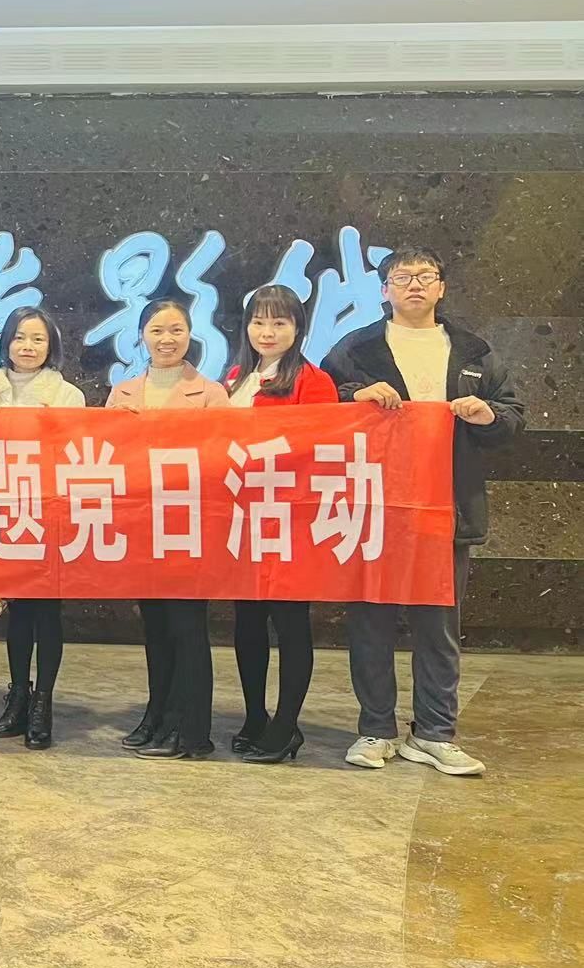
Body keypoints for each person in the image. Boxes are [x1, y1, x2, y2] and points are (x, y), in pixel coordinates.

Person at [323, 247, 523, 777]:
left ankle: (434, 733)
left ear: (441, 288)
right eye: (402, 277)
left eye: (425, 276)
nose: (414, 284)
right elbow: (322, 405)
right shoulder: (356, 348)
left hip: (447, 507)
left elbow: (513, 415)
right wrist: (356, 395)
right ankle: (376, 729)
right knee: (371, 623)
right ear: (384, 289)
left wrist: (487, 414)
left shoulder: (474, 352)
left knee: (439, 627)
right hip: (375, 507)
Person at [107, 298, 230, 760]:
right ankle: (157, 715)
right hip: (142, 526)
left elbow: (221, 459)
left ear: (190, 334)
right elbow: (106, 458)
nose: (167, 339)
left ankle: (191, 730)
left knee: (187, 627)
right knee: (155, 627)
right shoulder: (122, 394)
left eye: (176, 330)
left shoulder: (211, 394)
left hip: (189, 527)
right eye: (157, 330)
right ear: (142, 336)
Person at [223, 285, 339, 764]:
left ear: (298, 328)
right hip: (243, 519)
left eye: (279, 323)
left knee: (290, 623)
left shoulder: (314, 382)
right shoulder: (235, 378)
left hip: (290, 521)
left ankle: (287, 724)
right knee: (247, 622)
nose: (267, 332)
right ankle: (254, 715)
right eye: (258, 322)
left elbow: (320, 450)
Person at [0, 305, 86, 750]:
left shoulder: (67, 396)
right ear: (6, 341)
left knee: (45, 611)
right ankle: (18, 696)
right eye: (20, 337)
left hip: (49, 515)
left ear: (52, 345)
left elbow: (74, 457)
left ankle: (43, 700)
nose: (27, 347)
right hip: (2, 513)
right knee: (18, 612)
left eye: (38, 339)